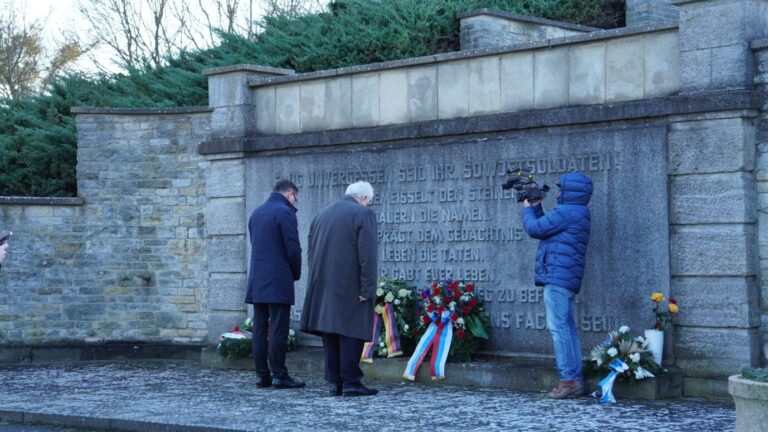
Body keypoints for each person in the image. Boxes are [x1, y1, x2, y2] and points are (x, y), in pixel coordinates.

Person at [299, 181, 379, 397]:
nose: (367, 204)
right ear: (363, 199)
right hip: (350, 283)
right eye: (368, 201)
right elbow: (368, 256)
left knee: (331, 331)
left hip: (322, 283)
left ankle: (335, 382)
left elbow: (310, 252)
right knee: (351, 331)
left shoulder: (321, 215)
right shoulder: (363, 214)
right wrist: (368, 288)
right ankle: (351, 382)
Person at [521, 171, 593, 399]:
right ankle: (574, 378)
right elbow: (547, 228)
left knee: (559, 329)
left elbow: (535, 229)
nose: (559, 193)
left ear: (571, 190)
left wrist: (527, 209)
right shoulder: (577, 212)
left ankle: (569, 380)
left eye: (562, 189)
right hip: (564, 278)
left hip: (557, 278)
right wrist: (537, 207)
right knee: (566, 328)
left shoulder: (567, 211)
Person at [245, 180, 304, 389]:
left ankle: (262, 375)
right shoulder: (285, 212)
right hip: (278, 280)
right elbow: (293, 249)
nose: (295, 201)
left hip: (258, 280)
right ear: (289, 194)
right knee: (279, 328)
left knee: (260, 329)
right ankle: (280, 375)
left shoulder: (256, 213)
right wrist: (295, 273)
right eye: (295, 197)